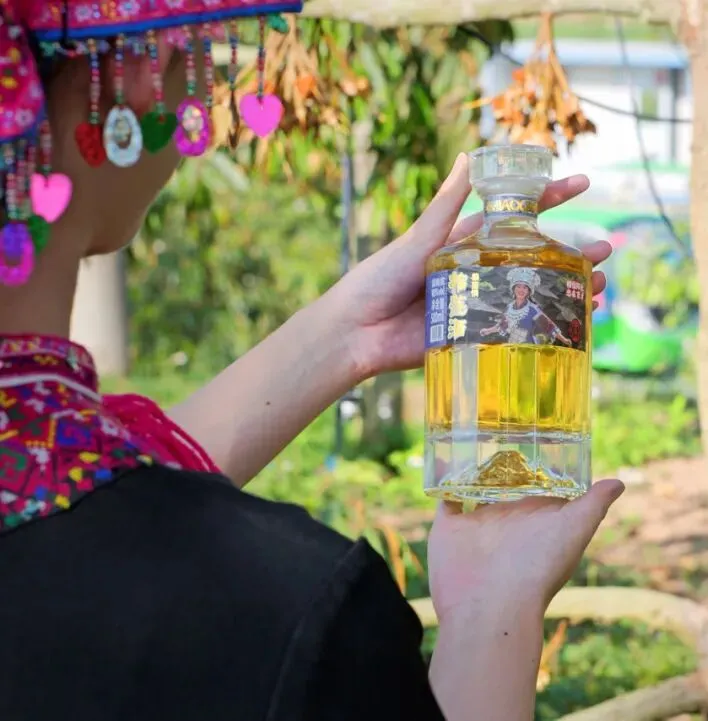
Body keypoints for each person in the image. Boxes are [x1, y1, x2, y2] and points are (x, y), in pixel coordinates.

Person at [0, 6, 621, 721]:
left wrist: (352, 335)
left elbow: (86, 479)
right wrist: (493, 601)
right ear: (146, 66)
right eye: (206, 52)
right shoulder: (284, 616)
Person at [480, 267, 574, 346]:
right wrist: (488, 331)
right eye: (518, 287)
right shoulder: (509, 307)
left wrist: (564, 339)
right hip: (513, 346)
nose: (521, 290)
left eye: (525, 287)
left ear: (529, 291)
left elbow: (548, 326)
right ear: (513, 289)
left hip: (529, 347)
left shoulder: (532, 309)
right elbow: (502, 325)